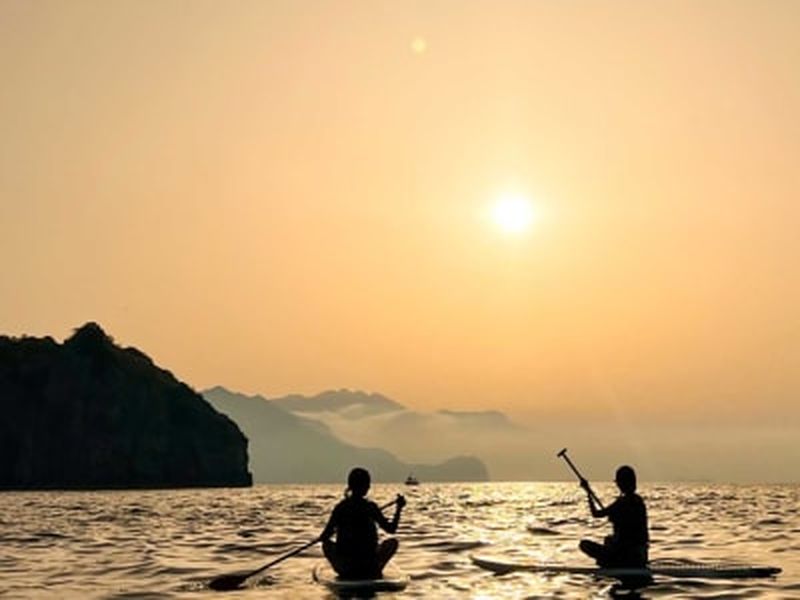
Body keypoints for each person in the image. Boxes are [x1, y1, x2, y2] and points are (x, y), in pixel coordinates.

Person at [320, 467, 406, 579]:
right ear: (365, 486)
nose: (369, 487)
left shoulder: (341, 507)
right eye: (367, 484)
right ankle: (375, 569)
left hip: (347, 566)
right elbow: (391, 529)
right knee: (392, 542)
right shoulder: (371, 507)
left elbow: (324, 536)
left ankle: (344, 569)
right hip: (369, 566)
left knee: (326, 544)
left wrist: (334, 530)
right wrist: (399, 509)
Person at [579, 465, 649, 568]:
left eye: (618, 482)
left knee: (584, 544)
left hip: (626, 555)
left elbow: (596, 514)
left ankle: (612, 563)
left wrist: (588, 492)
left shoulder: (622, 502)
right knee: (609, 539)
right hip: (641, 555)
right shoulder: (639, 501)